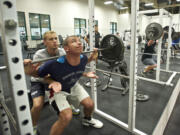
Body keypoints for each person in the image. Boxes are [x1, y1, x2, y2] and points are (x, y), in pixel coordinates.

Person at [24, 35, 103, 135]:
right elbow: (37, 75)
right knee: (66, 116)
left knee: (90, 105)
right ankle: (33, 126)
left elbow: (87, 61)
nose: (79, 43)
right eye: (74, 41)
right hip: (58, 90)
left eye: (79, 41)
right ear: (66, 48)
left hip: (73, 84)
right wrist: (28, 70)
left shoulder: (83, 58)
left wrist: (94, 55)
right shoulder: (54, 63)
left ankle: (87, 119)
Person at [24, 31, 80, 135]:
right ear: (45, 42)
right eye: (51, 39)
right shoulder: (39, 55)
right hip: (39, 81)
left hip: (54, 79)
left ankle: (69, 105)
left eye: (55, 38)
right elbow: (39, 75)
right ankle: (32, 126)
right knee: (37, 105)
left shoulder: (62, 52)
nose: (54, 41)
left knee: (70, 86)